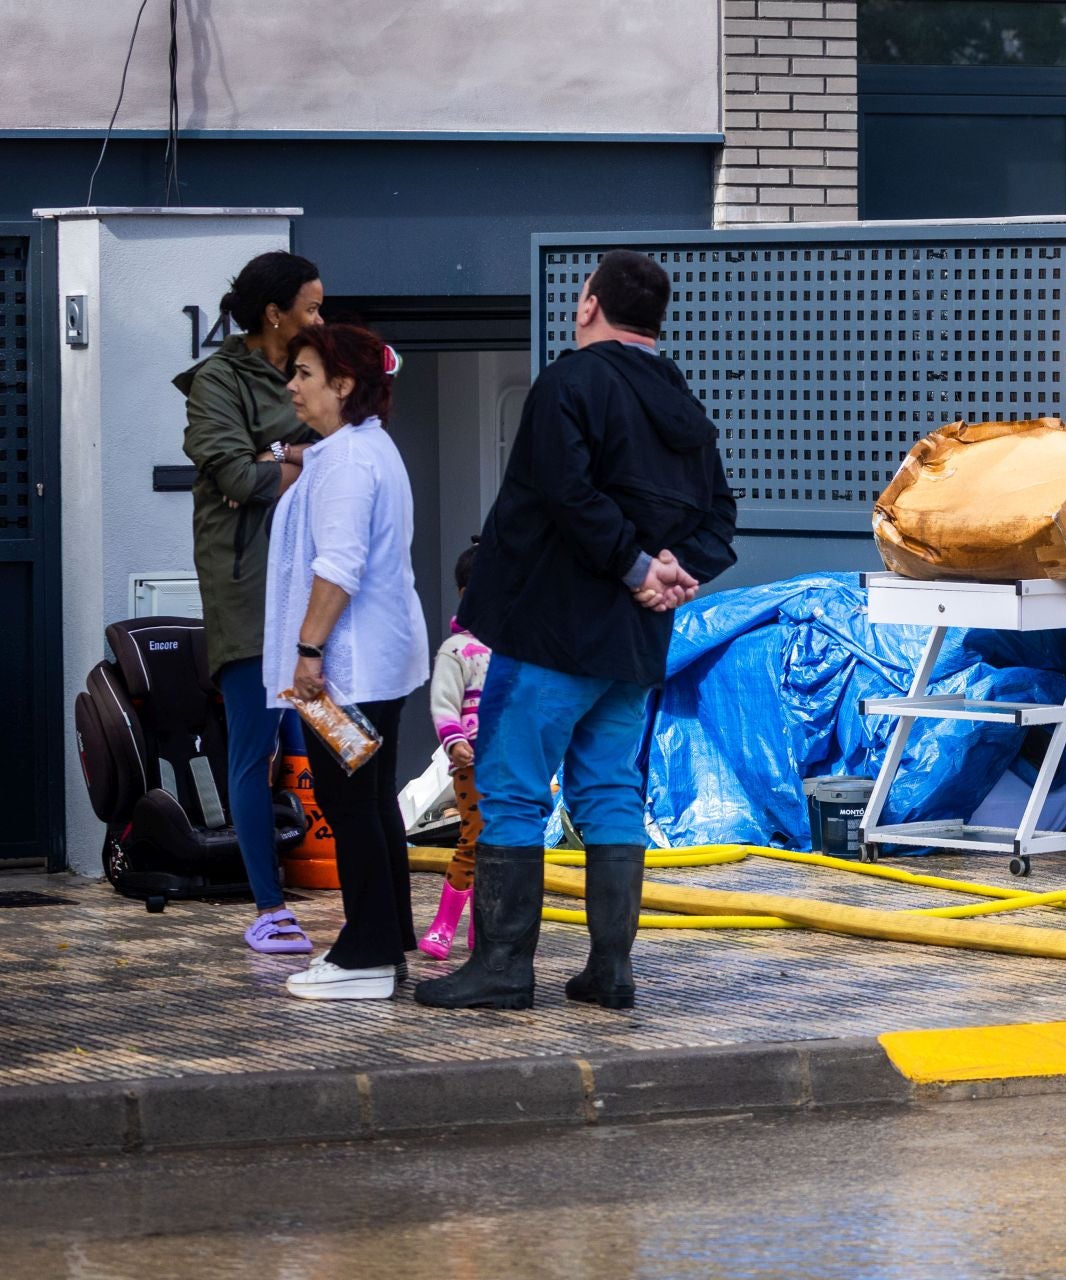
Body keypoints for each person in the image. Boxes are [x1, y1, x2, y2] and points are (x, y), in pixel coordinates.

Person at [416, 250, 736, 1012]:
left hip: (549, 633)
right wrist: (671, 572)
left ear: (589, 304)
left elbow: (566, 491)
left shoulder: (569, 384)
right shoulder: (684, 407)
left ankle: (502, 967)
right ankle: (610, 970)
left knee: (511, 789)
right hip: (633, 646)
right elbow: (721, 519)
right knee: (611, 791)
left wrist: (637, 566)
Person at [265, 324, 430, 1000]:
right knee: (370, 800)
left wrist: (307, 652)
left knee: (349, 802)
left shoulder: (348, 462)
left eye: (304, 373)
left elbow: (338, 565)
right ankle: (384, 941)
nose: (292, 386)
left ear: (344, 383)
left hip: (344, 668)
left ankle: (365, 953)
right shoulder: (363, 448)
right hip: (373, 661)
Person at [176, 251, 325, 954]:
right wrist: (296, 459)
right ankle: (270, 907)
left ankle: (365, 891)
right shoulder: (217, 382)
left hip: (316, 587)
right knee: (253, 748)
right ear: (274, 313)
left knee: (341, 739)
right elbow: (237, 476)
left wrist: (277, 456)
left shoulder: (313, 369)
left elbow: (342, 453)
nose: (321, 318)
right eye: (312, 307)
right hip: (250, 592)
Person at [421, 538, 491, 959]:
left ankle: (482, 931)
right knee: (474, 839)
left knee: (500, 845)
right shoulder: (456, 650)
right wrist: (455, 740)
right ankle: (444, 927)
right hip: (473, 761)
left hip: (508, 762)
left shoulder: (515, 646)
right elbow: (444, 703)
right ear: (467, 595)